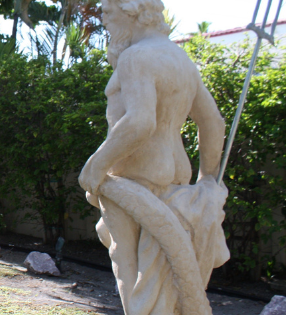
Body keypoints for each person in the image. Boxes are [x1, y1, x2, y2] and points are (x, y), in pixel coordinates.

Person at [79, 0, 229, 314]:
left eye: (108, 11)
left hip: (133, 177)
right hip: (176, 177)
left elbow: (140, 122)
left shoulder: (136, 56)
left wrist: (96, 165)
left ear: (131, 11)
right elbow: (213, 122)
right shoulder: (180, 59)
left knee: (131, 272)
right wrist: (208, 179)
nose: (104, 19)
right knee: (169, 276)